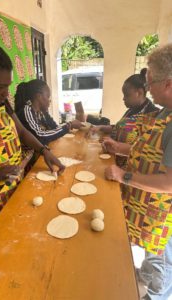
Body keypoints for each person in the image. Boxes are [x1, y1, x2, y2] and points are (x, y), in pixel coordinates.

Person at [0, 42, 64, 239]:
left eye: (7, 86)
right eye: (0, 86)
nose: (6, 93)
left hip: (14, 188)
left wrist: (44, 151)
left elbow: (22, 132)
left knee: (22, 237)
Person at [104, 44, 172, 299]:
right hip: (151, 208)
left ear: (167, 83)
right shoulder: (165, 113)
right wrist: (121, 148)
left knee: (161, 268)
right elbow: (154, 148)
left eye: (150, 81)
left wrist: (124, 176)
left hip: (164, 217)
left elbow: (169, 182)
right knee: (151, 260)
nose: (148, 87)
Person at [15, 79, 83, 145]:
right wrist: (69, 125)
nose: (49, 101)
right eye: (48, 96)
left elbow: (55, 128)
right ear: (39, 96)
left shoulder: (42, 112)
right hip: (32, 155)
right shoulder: (27, 111)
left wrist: (69, 127)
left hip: (43, 150)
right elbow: (40, 137)